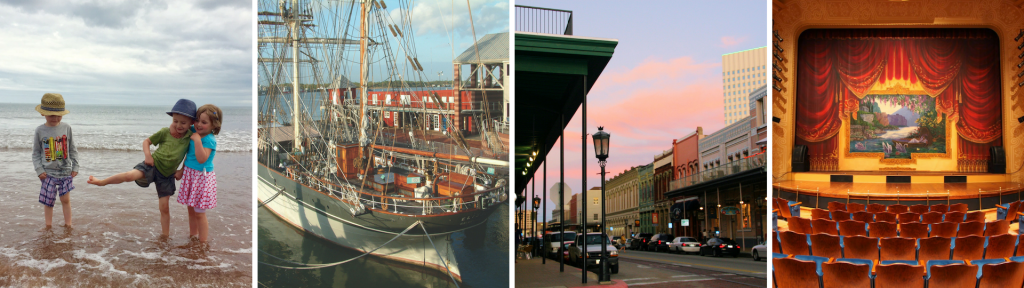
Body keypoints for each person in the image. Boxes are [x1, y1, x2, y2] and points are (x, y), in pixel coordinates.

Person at [88, 99, 196, 238]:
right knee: (129, 176)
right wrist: (148, 155)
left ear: (191, 123)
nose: (178, 125)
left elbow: (190, 155)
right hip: (152, 164)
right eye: (175, 121)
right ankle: (102, 181)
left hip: (167, 175)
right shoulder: (165, 132)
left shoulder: (190, 137)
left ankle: (165, 237)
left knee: (164, 208)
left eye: (183, 122)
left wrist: (181, 170)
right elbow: (147, 141)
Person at [176, 104, 221, 245]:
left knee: (199, 213)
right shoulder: (194, 129)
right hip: (190, 174)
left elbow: (202, 159)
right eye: (197, 120)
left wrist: (197, 141)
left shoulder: (209, 140)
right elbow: (189, 156)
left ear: (214, 125)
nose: (199, 125)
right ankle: (192, 236)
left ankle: (202, 243)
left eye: (204, 122)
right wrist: (182, 170)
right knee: (190, 209)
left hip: (202, 177)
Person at [32, 93, 79, 230]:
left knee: (66, 200)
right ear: (43, 114)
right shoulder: (40, 130)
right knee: (49, 202)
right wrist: (39, 170)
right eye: (52, 115)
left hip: (65, 171)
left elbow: (73, 149)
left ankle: (68, 225)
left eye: (59, 115)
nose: (56, 118)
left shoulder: (67, 128)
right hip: (47, 173)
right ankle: (48, 226)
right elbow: (35, 153)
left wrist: (75, 166)